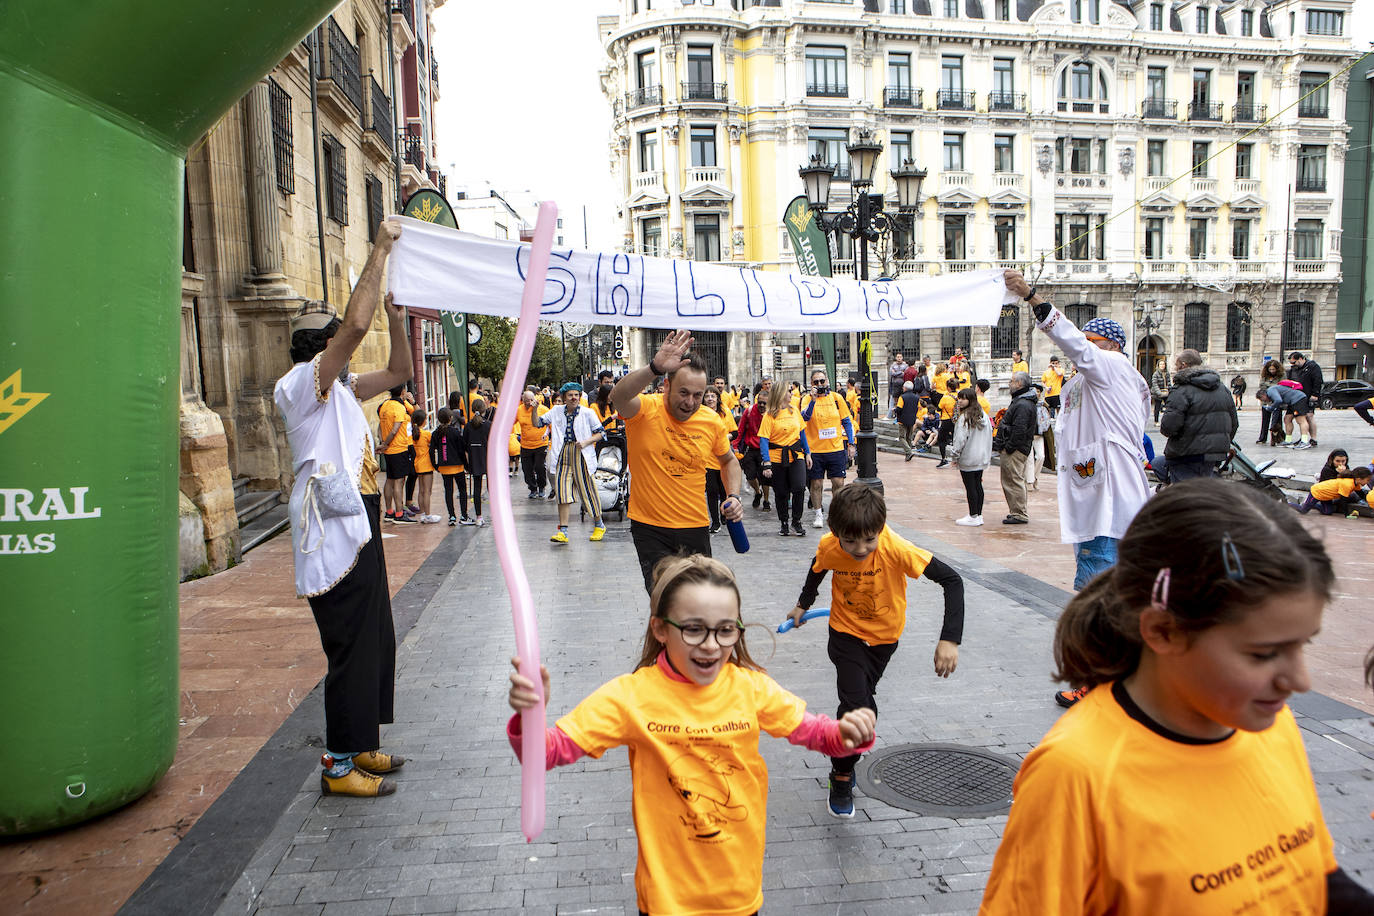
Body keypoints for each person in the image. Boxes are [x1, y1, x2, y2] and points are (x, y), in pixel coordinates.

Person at [978, 479, 1374, 915]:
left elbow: (1314, 877)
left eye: (1303, 644)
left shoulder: (1273, 724)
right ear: (1163, 630)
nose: (1298, 681)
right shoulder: (1076, 777)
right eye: (1264, 654)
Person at [506, 555, 877, 916]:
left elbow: (815, 733)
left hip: (738, 892)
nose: (712, 644)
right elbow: (546, 753)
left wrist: (847, 734)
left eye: (725, 629)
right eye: (694, 628)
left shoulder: (750, 688)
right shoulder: (631, 696)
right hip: (667, 900)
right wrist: (530, 715)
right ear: (660, 629)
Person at [273, 219, 408, 797]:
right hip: (335, 538)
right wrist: (379, 249)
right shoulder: (302, 387)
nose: (346, 347)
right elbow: (356, 323)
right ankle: (337, 764)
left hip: (362, 525)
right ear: (318, 349)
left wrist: (399, 321)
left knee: (376, 636)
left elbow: (402, 372)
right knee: (351, 645)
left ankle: (361, 743)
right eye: (334, 342)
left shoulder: (345, 393)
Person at [784, 483, 964, 817]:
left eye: (869, 539)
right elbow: (818, 566)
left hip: (884, 641)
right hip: (845, 635)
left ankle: (844, 756)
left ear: (880, 530)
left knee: (858, 701)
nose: (859, 548)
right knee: (860, 709)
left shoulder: (895, 548)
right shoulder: (831, 545)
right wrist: (802, 604)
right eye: (849, 541)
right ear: (837, 533)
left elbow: (952, 581)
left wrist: (949, 639)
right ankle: (841, 774)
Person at [611, 330, 744, 591]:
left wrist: (735, 496)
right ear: (667, 386)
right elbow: (618, 398)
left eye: (697, 395)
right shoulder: (646, 409)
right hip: (650, 528)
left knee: (699, 600)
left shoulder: (711, 420)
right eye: (683, 393)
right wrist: (654, 368)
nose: (690, 402)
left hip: (694, 526)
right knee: (667, 600)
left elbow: (729, 461)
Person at [535, 382, 606, 544]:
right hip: (562, 454)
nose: (574, 398)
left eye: (576, 395)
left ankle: (599, 524)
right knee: (562, 491)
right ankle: (563, 531)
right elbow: (537, 423)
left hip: (581, 453)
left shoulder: (588, 413)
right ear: (563, 398)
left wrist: (587, 442)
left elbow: (601, 433)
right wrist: (534, 408)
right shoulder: (556, 411)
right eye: (570, 395)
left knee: (587, 490)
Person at [1155, 348, 1239, 484]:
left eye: (1176, 365)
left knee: (1186, 497)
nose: (1175, 369)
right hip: (1213, 455)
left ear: (1184, 365)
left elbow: (1169, 426)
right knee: (1202, 493)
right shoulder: (1222, 389)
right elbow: (1234, 423)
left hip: (1185, 454)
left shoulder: (1182, 390)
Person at [800, 367, 855, 528]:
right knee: (816, 484)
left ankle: (835, 513)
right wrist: (813, 399)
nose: (820, 384)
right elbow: (805, 417)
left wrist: (851, 443)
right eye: (816, 382)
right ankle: (818, 513)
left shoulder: (837, 398)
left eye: (822, 381)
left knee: (838, 482)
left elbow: (846, 421)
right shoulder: (806, 399)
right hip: (815, 450)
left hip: (836, 448)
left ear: (827, 382)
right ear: (811, 384)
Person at [760, 381, 811, 537]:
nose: (791, 393)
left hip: (796, 455)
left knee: (799, 487)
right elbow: (763, 440)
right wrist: (767, 462)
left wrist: (808, 453)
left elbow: (802, 434)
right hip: (777, 458)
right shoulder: (769, 416)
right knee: (781, 492)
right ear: (781, 394)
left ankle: (796, 521)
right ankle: (784, 522)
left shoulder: (794, 411)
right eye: (789, 391)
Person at [992, 371, 1036, 525]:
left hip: (1015, 449)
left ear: (1019, 384)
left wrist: (1009, 447)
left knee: (1013, 480)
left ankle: (1019, 513)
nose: (1009, 384)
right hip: (1016, 447)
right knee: (1014, 479)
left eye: (1011, 381)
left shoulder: (1023, 404)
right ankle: (1016, 510)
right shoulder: (1022, 401)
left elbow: (1019, 429)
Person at [949, 387, 993, 526]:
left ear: (970, 399)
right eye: (959, 398)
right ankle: (978, 514)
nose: (960, 401)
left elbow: (960, 440)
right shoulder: (982, 415)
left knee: (971, 487)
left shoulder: (965, 418)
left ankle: (973, 515)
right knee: (977, 485)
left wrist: (955, 456)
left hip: (968, 457)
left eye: (963, 398)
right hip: (981, 456)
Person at [702, 386, 738, 534]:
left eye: (713, 396)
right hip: (707, 459)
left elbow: (734, 433)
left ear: (717, 398)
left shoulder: (725, 413)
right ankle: (715, 522)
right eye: (707, 396)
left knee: (724, 491)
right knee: (711, 491)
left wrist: (723, 438)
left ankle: (724, 515)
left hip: (723, 457)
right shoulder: (700, 414)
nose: (710, 399)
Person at [377, 385, 414, 523]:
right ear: (403, 392)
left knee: (390, 479)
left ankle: (389, 511)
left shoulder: (384, 405)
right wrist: (386, 443)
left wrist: (382, 443)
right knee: (399, 481)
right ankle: (399, 513)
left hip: (388, 450)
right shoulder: (399, 407)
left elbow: (380, 426)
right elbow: (394, 429)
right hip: (398, 448)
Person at [430, 407, 471, 526]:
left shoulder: (435, 433)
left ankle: (452, 516)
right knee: (462, 490)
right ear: (451, 418)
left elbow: (432, 450)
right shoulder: (455, 432)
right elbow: (461, 450)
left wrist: (435, 465)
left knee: (448, 491)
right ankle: (464, 515)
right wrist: (466, 465)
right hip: (457, 466)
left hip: (444, 467)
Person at [734, 381, 769, 511]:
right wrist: (736, 445)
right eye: (759, 402)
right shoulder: (748, 411)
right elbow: (740, 430)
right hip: (750, 449)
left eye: (764, 403)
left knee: (765, 478)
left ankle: (766, 500)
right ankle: (757, 492)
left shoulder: (771, 414)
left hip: (765, 449)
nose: (761, 405)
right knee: (750, 476)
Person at [408, 408, 441, 523]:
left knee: (421, 491)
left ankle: (422, 513)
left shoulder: (412, 434)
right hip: (426, 465)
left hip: (417, 465)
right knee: (427, 491)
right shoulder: (426, 434)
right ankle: (427, 514)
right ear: (423, 421)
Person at [516, 388, 550, 499]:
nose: (529, 403)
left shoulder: (543, 409)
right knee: (527, 469)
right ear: (522, 400)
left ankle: (541, 487)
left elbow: (551, 425)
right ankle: (532, 488)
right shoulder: (519, 410)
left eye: (531, 400)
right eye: (526, 400)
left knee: (539, 467)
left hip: (541, 443)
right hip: (525, 445)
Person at [1258, 382, 1314, 449]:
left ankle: (1305, 442)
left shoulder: (1270, 391)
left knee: (1301, 420)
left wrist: (1271, 408)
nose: (1264, 401)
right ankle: (1288, 440)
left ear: (1263, 395)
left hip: (1298, 399)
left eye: (1262, 399)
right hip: (1292, 401)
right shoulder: (1271, 391)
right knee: (1287, 419)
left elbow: (1278, 400)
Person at [1297, 468, 1372, 516]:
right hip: (1317, 492)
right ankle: (1286, 504)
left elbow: (1361, 494)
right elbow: (1343, 500)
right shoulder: (1347, 484)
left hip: (1326, 496)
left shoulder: (1356, 484)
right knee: (1303, 510)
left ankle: (1311, 505)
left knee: (1327, 512)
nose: (1368, 482)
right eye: (1367, 480)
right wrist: (1346, 514)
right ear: (1359, 479)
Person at [464, 397, 491, 528]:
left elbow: (465, 445)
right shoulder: (488, 425)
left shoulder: (468, 426)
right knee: (493, 488)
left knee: (477, 488)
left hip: (474, 459)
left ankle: (478, 517)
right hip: (487, 459)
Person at [1287, 351, 1324, 447]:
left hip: (1309, 395)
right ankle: (1304, 437)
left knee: (1309, 416)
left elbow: (1318, 380)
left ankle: (1313, 438)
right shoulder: (1296, 369)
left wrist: (1315, 394)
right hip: (1299, 397)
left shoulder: (1312, 366)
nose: (1293, 365)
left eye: (1294, 362)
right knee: (1302, 417)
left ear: (1300, 359)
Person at [1024, 382, 1051, 492]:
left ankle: (1035, 477)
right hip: (1028, 435)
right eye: (1035, 391)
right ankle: (1029, 481)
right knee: (1029, 459)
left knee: (1041, 456)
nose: (1037, 393)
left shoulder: (1043, 405)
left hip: (1039, 434)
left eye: (1039, 391)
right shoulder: (1026, 404)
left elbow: (1047, 421)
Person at [1256, 358, 1286, 445]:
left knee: (1277, 421)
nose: (1271, 371)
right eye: (1270, 369)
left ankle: (1278, 438)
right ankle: (1263, 437)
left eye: (1273, 369)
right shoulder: (1265, 375)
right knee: (1265, 420)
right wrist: (1273, 386)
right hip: (1266, 400)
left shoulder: (1282, 375)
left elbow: (1281, 386)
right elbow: (1261, 385)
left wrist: (1268, 385)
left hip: (1276, 400)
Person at [934, 378, 959, 469]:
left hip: (946, 420)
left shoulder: (945, 397)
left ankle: (943, 458)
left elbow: (939, 409)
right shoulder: (960, 396)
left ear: (948, 387)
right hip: (957, 420)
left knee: (942, 439)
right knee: (956, 439)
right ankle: (957, 459)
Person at [895, 380, 922, 461]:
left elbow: (899, 408)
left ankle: (908, 451)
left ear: (905, 388)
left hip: (902, 419)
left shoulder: (902, 397)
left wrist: (895, 410)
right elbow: (918, 408)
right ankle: (908, 455)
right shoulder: (916, 397)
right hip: (912, 419)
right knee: (909, 437)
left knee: (901, 437)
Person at [1149, 357, 1170, 425]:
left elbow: (1169, 383)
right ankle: (1156, 421)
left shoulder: (1167, 373)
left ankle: (1167, 421)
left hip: (1165, 392)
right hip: (1158, 393)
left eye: (1163, 364)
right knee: (1157, 407)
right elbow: (1155, 384)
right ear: (1158, 366)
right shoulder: (1156, 374)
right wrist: (1159, 393)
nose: (1162, 366)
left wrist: (1170, 390)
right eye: (1161, 364)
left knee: (1168, 407)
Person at [888, 350, 909, 416]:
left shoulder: (905, 365)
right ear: (896, 358)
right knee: (895, 400)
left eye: (900, 357)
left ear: (902, 358)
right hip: (895, 385)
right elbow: (892, 373)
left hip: (903, 385)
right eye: (898, 357)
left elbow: (905, 374)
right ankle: (895, 414)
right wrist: (900, 372)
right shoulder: (893, 365)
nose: (899, 358)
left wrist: (896, 373)